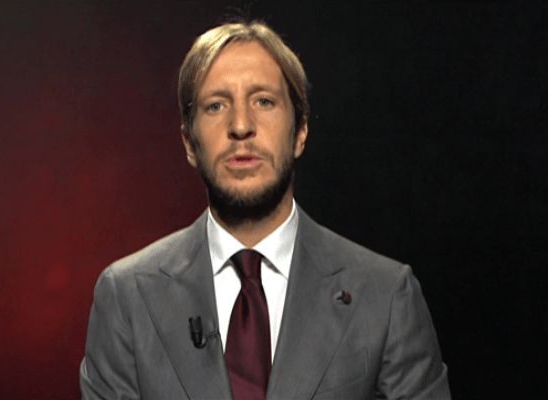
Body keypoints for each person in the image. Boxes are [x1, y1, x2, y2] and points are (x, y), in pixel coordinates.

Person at [80, 20, 450, 400]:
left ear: (300, 131)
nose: (241, 126)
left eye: (263, 101)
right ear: (189, 143)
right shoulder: (126, 297)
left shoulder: (386, 296)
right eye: (216, 105)